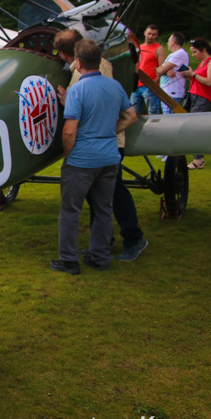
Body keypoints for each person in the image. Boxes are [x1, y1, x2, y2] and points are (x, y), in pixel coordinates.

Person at [55, 29, 148, 262]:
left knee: (114, 195)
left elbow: (96, 103)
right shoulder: (96, 68)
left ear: (72, 56)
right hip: (106, 144)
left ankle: (133, 238)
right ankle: (101, 246)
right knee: (100, 200)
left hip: (105, 144)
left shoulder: (89, 75)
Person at [182, 38, 211, 170]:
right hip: (193, 96)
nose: (193, 55)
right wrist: (189, 75)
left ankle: (198, 160)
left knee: (196, 128)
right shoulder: (202, 63)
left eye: (194, 52)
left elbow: (209, 81)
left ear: (203, 49)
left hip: (203, 98)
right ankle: (198, 158)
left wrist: (193, 74)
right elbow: (198, 80)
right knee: (193, 127)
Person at [130, 24, 166, 115]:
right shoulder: (139, 47)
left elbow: (162, 67)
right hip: (137, 84)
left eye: (154, 34)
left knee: (153, 112)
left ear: (157, 36)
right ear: (145, 33)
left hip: (150, 84)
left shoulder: (159, 49)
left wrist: (156, 81)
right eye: (149, 33)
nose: (151, 36)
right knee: (133, 112)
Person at [155, 32, 189, 114]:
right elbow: (160, 69)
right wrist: (164, 70)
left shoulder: (179, 53)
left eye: (169, 40)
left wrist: (162, 70)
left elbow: (161, 70)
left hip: (172, 93)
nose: (167, 43)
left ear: (173, 42)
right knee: (173, 117)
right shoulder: (176, 54)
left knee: (169, 120)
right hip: (168, 92)